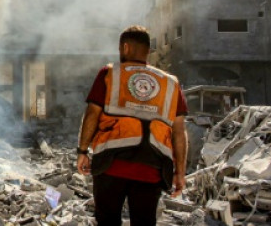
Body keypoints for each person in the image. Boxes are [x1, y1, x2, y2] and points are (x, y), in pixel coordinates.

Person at [76, 25, 188, 226]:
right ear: (148, 50)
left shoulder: (110, 73)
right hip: (152, 168)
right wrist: (180, 172)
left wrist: (82, 151)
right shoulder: (171, 83)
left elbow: (93, 113)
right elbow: (179, 132)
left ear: (125, 47)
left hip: (111, 166)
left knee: (107, 221)